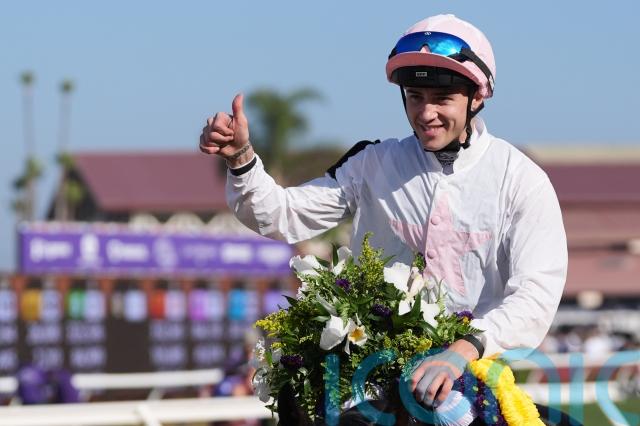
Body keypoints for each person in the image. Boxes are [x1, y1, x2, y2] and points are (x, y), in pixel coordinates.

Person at [200, 13, 568, 417]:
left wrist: (463, 349)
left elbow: (535, 295)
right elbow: (280, 215)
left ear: (477, 97)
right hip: (369, 368)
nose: (426, 113)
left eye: (442, 99)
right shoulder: (372, 163)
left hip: (472, 372)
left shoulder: (522, 181)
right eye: (415, 96)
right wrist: (240, 159)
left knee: (452, 413)